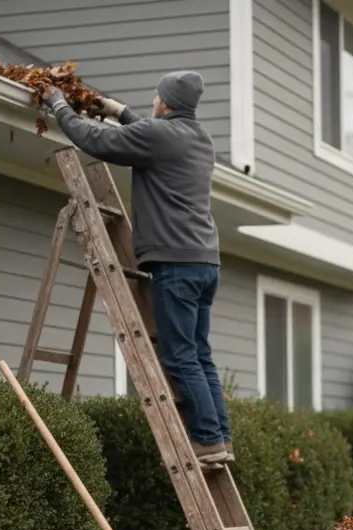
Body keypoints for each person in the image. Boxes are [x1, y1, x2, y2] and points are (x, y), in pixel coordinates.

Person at [43, 72, 234, 465]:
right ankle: (220, 438)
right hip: (204, 263)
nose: (153, 102)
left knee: (179, 355)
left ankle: (208, 439)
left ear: (164, 103)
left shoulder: (160, 136)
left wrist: (59, 105)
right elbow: (154, 134)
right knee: (199, 354)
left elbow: (94, 140)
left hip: (176, 265)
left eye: (156, 97)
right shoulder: (200, 138)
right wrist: (119, 111)